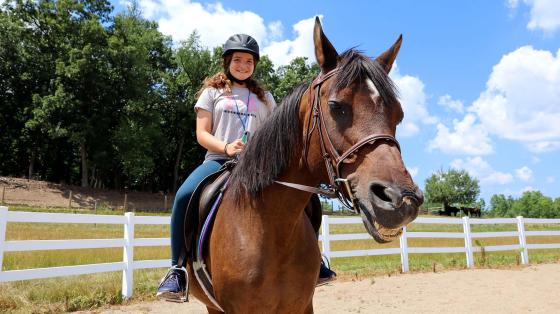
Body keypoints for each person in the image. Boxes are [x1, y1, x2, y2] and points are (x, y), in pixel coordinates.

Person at [156, 34, 335, 302]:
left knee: (308, 200)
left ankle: (314, 260)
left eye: (249, 61)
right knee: (184, 195)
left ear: (255, 65)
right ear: (227, 62)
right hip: (218, 162)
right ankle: (177, 269)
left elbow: (278, 135)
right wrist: (226, 147)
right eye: (237, 59)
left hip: (259, 167)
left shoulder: (265, 98)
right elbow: (201, 134)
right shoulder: (212, 93)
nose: (243, 65)